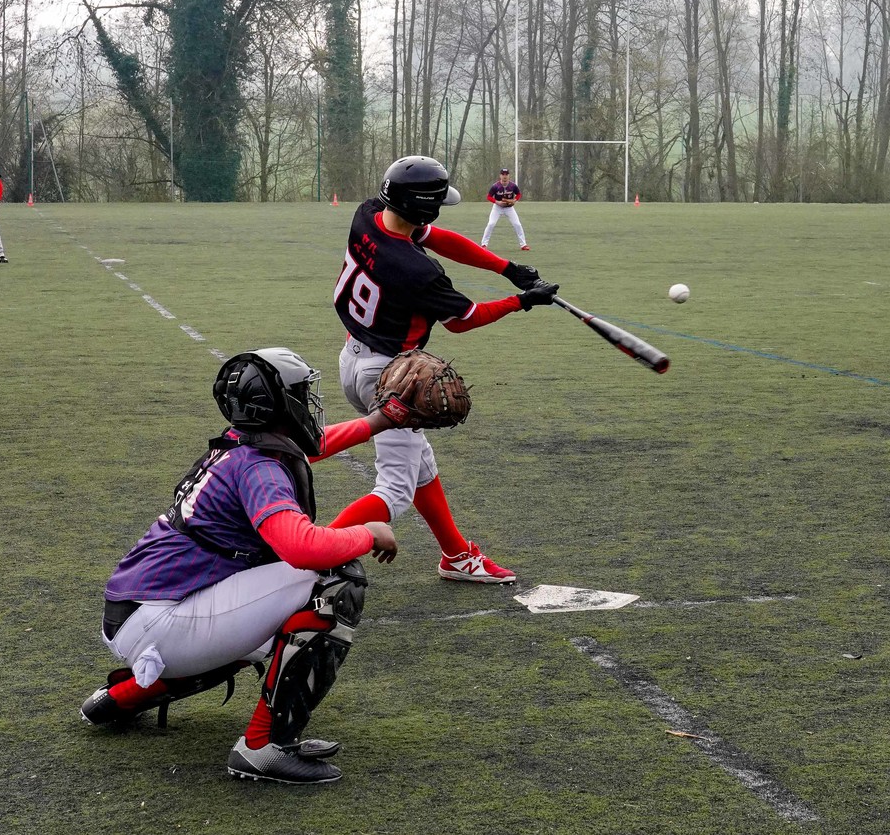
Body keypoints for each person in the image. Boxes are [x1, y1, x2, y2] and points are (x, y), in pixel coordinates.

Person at [80, 348, 411, 784]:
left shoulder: (240, 443)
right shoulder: (259, 467)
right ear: (279, 403)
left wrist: (379, 421)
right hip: (161, 622)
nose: (308, 399)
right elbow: (302, 547)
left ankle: (119, 698)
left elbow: (311, 443)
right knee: (336, 579)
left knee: (269, 611)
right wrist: (370, 533)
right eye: (300, 391)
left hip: (137, 612)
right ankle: (262, 747)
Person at [330, 155, 558, 586]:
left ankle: (455, 554)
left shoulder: (368, 214)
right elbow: (464, 318)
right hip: (394, 378)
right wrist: (523, 301)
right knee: (395, 490)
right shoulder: (415, 270)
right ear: (424, 207)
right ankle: (308, 552)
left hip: (355, 358)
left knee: (421, 467)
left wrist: (507, 268)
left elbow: (438, 237)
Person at [480, 166, 528, 251]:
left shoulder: (513, 186)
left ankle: (523, 245)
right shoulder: (495, 186)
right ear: (500, 176)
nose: (504, 176)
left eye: (506, 174)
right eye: (503, 174)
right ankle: (484, 244)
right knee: (491, 224)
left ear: (509, 176)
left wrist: (514, 200)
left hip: (509, 208)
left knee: (517, 224)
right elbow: (489, 197)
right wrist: (497, 202)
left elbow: (519, 194)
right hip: (497, 207)